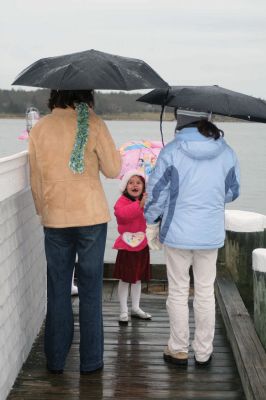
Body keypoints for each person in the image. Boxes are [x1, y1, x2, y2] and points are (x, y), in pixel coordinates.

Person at [28, 89, 121, 374]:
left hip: (56, 218)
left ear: (55, 95)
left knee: (57, 289)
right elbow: (114, 170)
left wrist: (43, 211)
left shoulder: (40, 128)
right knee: (92, 290)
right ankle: (91, 362)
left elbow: (35, 178)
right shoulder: (94, 123)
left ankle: (56, 360)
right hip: (91, 216)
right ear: (86, 96)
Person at [144, 109, 240, 366]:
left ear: (181, 121)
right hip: (209, 234)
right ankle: (203, 352)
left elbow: (156, 194)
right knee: (205, 292)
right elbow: (232, 191)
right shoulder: (227, 152)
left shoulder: (172, 151)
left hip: (177, 234)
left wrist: (151, 222)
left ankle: (178, 349)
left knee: (177, 291)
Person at [113, 170, 152, 325]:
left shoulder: (147, 200)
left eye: (138, 182)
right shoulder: (121, 201)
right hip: (127, 246)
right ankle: (123, 310)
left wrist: (148, 205)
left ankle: (135, 307)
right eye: (131, 182)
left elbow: (153, 218)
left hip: (142, 245)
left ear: (143, 186)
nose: (134, 185)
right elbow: (122, 216)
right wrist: (138, 205)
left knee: (137, 279)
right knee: (125, 279)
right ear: (125, 186)